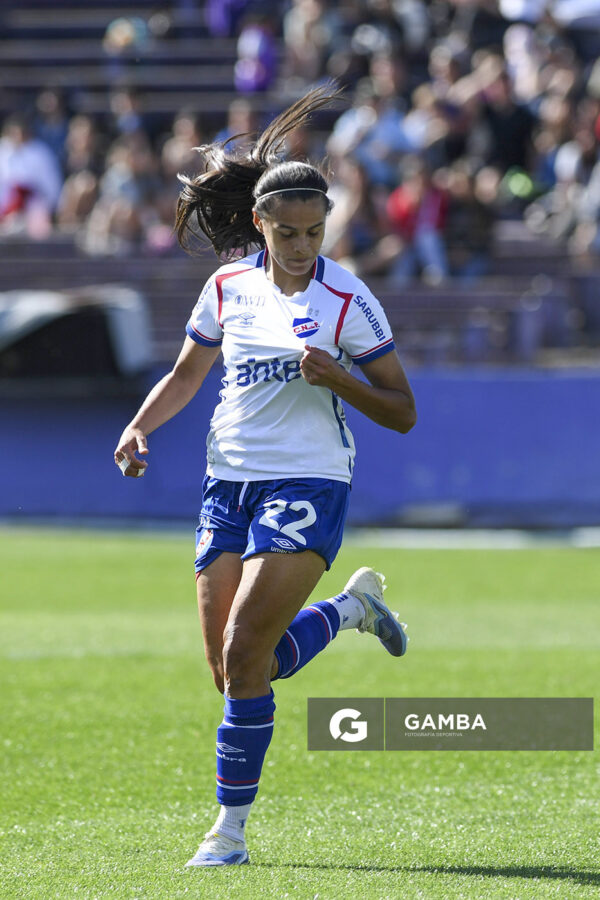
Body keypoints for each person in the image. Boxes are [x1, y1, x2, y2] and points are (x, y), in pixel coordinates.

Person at [113, 85, 417, 868]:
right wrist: (141, 426)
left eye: (315, 232)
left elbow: (402, 410)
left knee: (248, 650)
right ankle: (350, 611)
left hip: (309, 482)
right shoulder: (228, 288)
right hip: (228, 485)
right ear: (259, 223)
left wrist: (340, 378)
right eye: (287, 233)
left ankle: (229, 833)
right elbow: (187, 374)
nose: (302, 246)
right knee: (232, 670)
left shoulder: (347, 298)